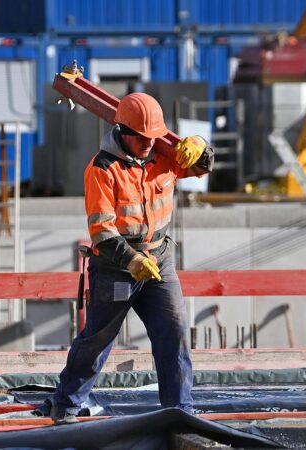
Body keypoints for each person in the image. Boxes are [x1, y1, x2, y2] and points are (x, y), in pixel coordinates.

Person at [39, 92, 214, 424]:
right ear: (123, 130)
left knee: (173, 330)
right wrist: (132, 261)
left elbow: (202, 167)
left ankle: (180, 411)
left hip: (159, 259)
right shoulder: (102, 169)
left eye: (153, 137)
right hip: (116, 267)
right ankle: (66, 404)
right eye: (141, 137)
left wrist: (201, 146)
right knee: (99, 337)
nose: (148, 143)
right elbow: (101, 231)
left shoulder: (163, 155)